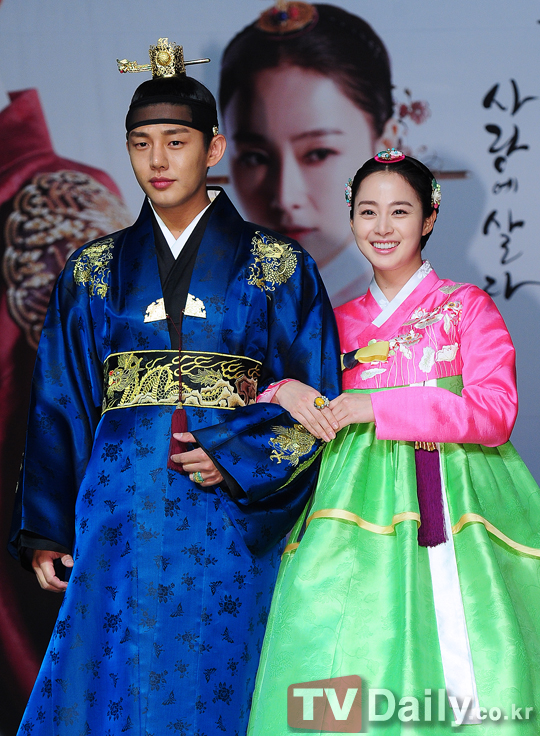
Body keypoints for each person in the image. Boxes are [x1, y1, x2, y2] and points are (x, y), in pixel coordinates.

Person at [9, 38, 340, 736]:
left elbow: (318, 398)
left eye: (176, 142)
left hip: (230, 516)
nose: (157, 161)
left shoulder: (279, 266)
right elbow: (59, 401)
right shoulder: (93, 269)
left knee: (223, 678)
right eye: (141, 144)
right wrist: (47, 525)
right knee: (115, 679)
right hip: (120, 509)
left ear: (213, 147)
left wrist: (238, 455)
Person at [246, 149, 540, 734]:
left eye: (400, 211)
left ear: (429, 218)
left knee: (460, 644)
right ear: (351, 218)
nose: (382, 227)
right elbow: (270, 390)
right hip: (347, 506)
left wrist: (376, 407)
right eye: (368, 211)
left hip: (453, 503)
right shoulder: (333, 322)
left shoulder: (466, 308)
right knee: (342, 638)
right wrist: (283, 391)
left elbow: (495, 412)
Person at [219, 2, 398, 307]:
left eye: (318, 154)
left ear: (384, 150)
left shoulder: (423, 317)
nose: (285, 197)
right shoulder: (209, 308)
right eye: (255, 158)